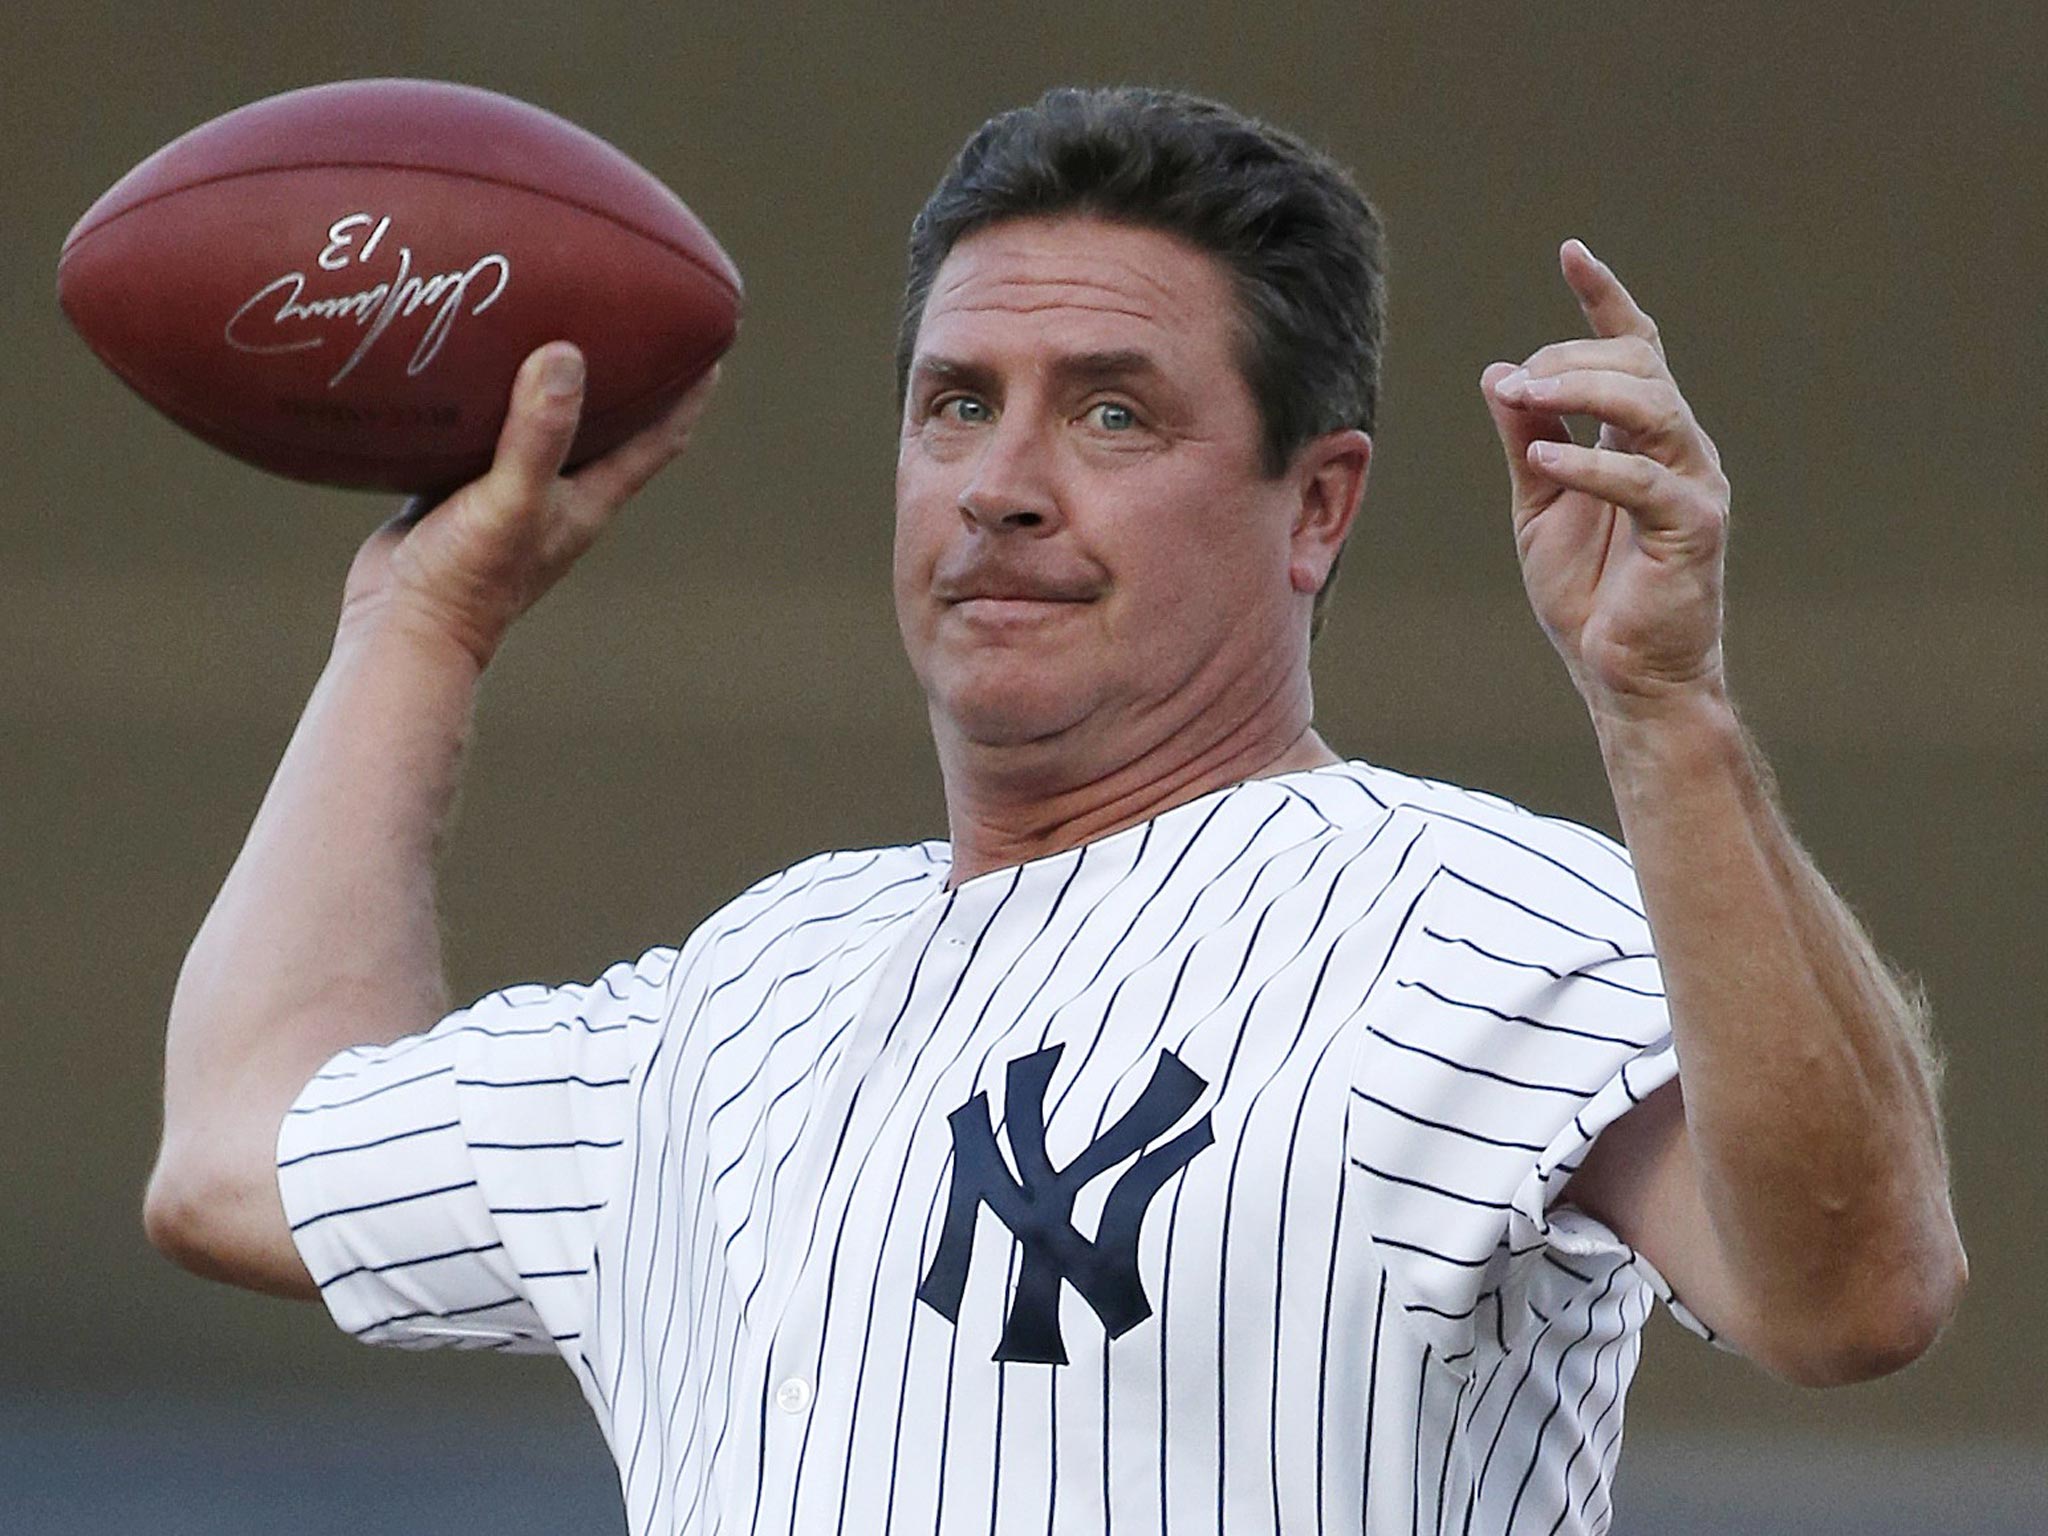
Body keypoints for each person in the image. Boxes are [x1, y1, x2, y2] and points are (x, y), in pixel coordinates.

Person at [143, 87, 1964, 1534]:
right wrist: (419, 621)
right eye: (956, 406)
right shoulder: (746, 991)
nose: (1000, 485)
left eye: (1110, 414)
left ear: (1316, 506)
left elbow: (1855, 1294)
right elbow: (236, 1153)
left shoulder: (1474, 918)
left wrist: (1668, 715)